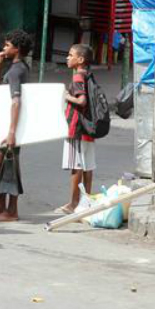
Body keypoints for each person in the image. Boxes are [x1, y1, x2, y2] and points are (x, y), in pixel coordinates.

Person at [0, 29, 33, 222]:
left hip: (13, 125)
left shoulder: (17, 71)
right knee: (0, 160)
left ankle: (12, 210)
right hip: (9, 123)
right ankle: (1, 204)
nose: (4, 48)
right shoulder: (15, 67)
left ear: (18, 48)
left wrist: (12, 131)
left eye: (7, 45)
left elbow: (16, 101)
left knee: (10, 163)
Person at [57, 44, 95, 214]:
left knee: (76, 166)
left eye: (70, 55)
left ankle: (73, 203)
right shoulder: (89, 75)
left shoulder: (78, 78)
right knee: (87, 166)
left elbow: (82, 101)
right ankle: (86, 202)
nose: (67, 57)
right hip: (88, 129)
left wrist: (67, 96)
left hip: (77, 128)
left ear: (80, 60)